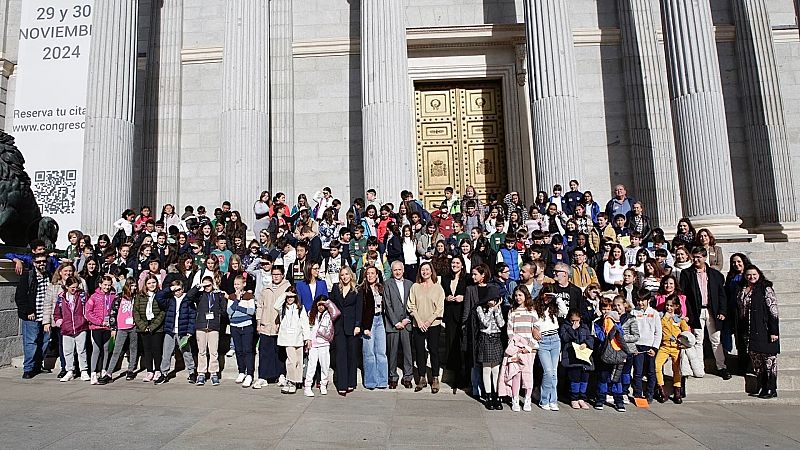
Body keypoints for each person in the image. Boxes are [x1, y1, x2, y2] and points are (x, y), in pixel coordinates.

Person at [680, 246, 730, 380]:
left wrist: (722, 311)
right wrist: (687, 314)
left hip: (712, 311)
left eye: (699, 257)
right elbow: (684, 296)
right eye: (694, 257)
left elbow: (721, 294)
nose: (696, 259)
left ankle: (721, 367)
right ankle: (699, 368)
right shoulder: (686, 274)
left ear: (704, 257)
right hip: (696, 312)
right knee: (698, 340)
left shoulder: (715, 275)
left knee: (716, 339)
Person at [739, 265, 780, 399]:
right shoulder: (743, 289)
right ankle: (762, 385)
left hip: (765, 330)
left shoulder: (766, 289)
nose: (751, 277)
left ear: (759, 274)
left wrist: (774, 331)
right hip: (750, 330)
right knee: (757, 361)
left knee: (769, 361)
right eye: (749, 275)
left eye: (754, 274)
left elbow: (773, 311)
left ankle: (771, 388)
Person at [498, 287, 539, 412]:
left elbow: (536, 330)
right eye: (516, 295)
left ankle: (527, 399)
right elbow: (510, 331)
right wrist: (517, 345)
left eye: (520, 295)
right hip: (515, 348)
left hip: (529, 349)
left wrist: (528, 347)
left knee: (528, 374)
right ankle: (515, 399)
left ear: (526, 296)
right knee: (515, 374)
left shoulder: (532, 311)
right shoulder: (512, 311)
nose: (518, 298)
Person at [408, 262, 445, 394]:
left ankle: (435, 378)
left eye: (427, 269)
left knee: (433, 350)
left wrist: (428, 322)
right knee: (419, 351)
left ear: (431, 271)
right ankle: (422, 377)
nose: (425, 272)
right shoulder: (415, 287)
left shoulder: (438, 288)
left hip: (433, 324)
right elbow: (411, 305)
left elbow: (440, 308)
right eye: (422, 270)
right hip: (418, 323)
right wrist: (419, 320)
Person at [15, 254, 52, 379]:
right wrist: (29, 311)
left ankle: (37, 365)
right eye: (39, 262)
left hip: (46, 316)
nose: (42, 264)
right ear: (34, 263)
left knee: (45, 342)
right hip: (32, 315)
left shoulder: (50, 276)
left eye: (44, 261)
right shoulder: (28, 276)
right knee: (31, 342)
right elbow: (20, 296)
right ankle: (28, 368)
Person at [254, 265, 291, 388]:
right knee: (264, 352)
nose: (275, 277)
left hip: (279, 326)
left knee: (279, 353)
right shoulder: (266, 289)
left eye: (278, 274)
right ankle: (263, 377)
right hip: (266, 325)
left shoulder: (287, 288)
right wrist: (258, 322)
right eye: (273, 274)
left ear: (282, 275)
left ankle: (281, 375)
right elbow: (260, 306)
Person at [155, 280, 197, 385]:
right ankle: (163, 373)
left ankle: (192, 372)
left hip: (183, 331)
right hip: (170, 331)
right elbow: (158, 297)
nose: (177, 292)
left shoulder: (188, 300)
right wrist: (169, 289)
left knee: (186, 352)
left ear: (183, 289)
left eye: (179, 289)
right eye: (175, 290)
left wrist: (190, 332)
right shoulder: (170, 300)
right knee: (166, 353)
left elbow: (192, 317)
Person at [188, 275, 227, 386]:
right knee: (202, 351)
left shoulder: (218, 295)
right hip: (201, 326)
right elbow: (189, 296)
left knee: (213, 351)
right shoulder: (200, 295)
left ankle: (214, 373)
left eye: (208, 285)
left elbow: (224, 310)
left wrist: (218, 291)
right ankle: (201, 373)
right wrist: (199, 286)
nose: (207, 287)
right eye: (205, 285)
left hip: (213, 326)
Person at [534, 285, 565, 411]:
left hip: (555, 338)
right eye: (546, 295)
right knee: (548, 371)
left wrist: (557, 298)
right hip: (543, 340)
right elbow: (533, 322)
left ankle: (553, 400)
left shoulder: (554, 307)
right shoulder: (536, 307)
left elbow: (564, 312)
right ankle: (544, 399)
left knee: (554, 372)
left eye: (550, 296)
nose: (548, 298)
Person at [52, 277, 90, 382]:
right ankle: (69, 370)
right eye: (72, 288)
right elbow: (56, 313)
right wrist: (60, 322)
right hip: (67, 327)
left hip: (80, 326)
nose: (74, 290)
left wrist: (85, 319)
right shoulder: (61, 297)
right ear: (67, 287)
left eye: (76, 287)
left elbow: (88, 308)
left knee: (81, 350)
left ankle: (84, 370)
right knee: (67, 351)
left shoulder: (82, 295)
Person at [330, 266, 360, 395]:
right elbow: (331, 304)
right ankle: (342, 384)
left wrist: (358, 325)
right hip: (339, 326)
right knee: (341, 354)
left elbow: (359, 308)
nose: (344, 277)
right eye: (342, 275)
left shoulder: (357, 289)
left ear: (351, 275)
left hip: (352, 326)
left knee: (352, 355)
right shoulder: (336, 288)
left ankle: (351, 382)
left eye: (347, 274)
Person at [654, 296, 691, 404]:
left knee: (676, 368)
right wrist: (666, 317)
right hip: (664, 346)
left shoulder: (679, 319)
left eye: (671, 306)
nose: (668, 308)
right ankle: (661, 389)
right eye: (667, 305)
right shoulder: (662, 318)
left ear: (676, 306)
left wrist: (683, 343)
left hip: (676, 347)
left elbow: (686, 332)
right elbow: (659, 328)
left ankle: (677, 391)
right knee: (657, 365)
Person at [592, 298, 626, 412]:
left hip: (616, 353)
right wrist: (606, 328)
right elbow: (601, 337)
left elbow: (621, 334)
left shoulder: (616, 321)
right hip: (604, 353)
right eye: (603, 309)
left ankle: (618, 400)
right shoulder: (597, 322)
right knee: (603, 377)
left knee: (616, 378)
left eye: (608, 309)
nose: (606, 311)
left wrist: (614, 325)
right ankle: (601, 398)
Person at [384, 261, 414, 389]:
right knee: (392, 352)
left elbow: (413, 303)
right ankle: (393, 377)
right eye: (395, 270)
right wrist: (395, 322)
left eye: (399, 270)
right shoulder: (388, 284)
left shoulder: (410, 284)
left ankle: (408, 376)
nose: (397, 272)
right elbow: (387, 304)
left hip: (406, 323)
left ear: (403, 270)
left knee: (408, 352)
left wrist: (407, 319)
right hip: (393, 324)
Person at [358, 266, 389, 390]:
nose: (370, 276)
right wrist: (364, 327)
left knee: (381, 352)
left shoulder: (381, 288)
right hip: (368, 323)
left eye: (372, 273)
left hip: (380, 320)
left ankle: (382, 380)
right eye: (368, 274)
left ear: (377, 275)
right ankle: (370, 381)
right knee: (369, 353)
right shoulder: (362, 289)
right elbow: (360, 310)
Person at [441, 256, 469, 391]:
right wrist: (446, 297)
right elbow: (441, 294)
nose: (455, 265)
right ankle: (453, 373)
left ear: (462, 265)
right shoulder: (446, 278)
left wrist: (463, 298)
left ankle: (462, 375)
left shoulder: (467, 278)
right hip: (450, 316)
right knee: (451, 344)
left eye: (458, 263)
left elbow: (470, 294)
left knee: (461, 345)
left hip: (462, 315)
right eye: (453, 263)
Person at [304, 295, 340, 396]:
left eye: (323, 305)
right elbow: (308, 328)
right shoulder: (310, 314)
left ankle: (323, 385)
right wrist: (308, 340)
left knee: (325, 366)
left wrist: (327, 303)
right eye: (319, 304)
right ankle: (307, 386)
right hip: (313, 345)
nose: (321, 307)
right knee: (311, 366)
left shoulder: (329, 314)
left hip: (324, 343)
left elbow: (337, 312)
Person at [85, 275, 117, 385]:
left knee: (106, 349)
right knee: (97, 349)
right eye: (105, 285)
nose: (107, 287)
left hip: (108, 326)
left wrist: (112, 323)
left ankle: (104, 370)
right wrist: (99, 321)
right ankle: (93, 372)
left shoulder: (113, 296)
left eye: (109, 285)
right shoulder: (94, 297)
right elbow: (88, 312)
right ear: (100, 285)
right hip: (97, 327)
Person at [560, 309, 594, 409]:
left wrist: (586, 344)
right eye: (573, 321)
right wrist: (572, 329)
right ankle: (574, 398)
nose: (575, 323)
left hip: (584, 357)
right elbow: (565, 338)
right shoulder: (565, 326)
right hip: (572, 357)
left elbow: (590, 338)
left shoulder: (584, 326)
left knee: (584, 379)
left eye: (577, 320)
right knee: (574, 379)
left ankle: (581, 398)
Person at [134, 275, 166, 383]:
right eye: (149, 283)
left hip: (156, 327)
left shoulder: (160, 295)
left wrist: (152, 326)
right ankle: (149, 370)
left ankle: (157, 370)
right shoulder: (140, 296)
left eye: (153, 282)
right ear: (145, 285)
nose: (151, 285)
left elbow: (162, 312)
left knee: (156, 349)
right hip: (144, 326)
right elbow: (136, 312)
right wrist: (143, 326)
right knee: (147, 350)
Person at [631, 290, 661, 403]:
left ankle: (650, 394)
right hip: (637, 346)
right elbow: (630, 330)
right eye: (638, 300)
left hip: (650, 347)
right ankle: (637, 394)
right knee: (637, 372)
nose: (640, 303)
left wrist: (654, 348)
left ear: (648, 300)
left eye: (643, 300)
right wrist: (633, 347)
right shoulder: (634, 312)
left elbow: (658, 333)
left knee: (651, 372)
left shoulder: (654, 313)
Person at [476, 296, 505, 410]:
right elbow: (485, 323)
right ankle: (488, 396)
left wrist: (497, 310)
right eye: (490, 299)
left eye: (494, 300)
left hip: (496, 338)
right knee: (486, 368)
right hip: (485, 338)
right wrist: (491, 310)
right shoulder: (480, 308)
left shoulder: (498, 308)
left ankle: (497, 395)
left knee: (496, 369)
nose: (491, 302)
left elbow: (501, 324)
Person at [107, 277, 139, 382]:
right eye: (131, 285)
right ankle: (109, 373)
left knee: (133, 349)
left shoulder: (136, 297)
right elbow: (113, 313)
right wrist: (113, 327)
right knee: (117, 350)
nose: (133, 288)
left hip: (133, 327)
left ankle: (131, 370)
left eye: (135, 285)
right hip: (121, 327)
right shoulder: (119, 298)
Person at [227, 276, 257, 387]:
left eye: (238, 284)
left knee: (247, 350)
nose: (236, 286)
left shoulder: (249, 296)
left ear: (243, 284)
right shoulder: (231, 297)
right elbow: (229, 311)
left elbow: (251, 311)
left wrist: (239, 308)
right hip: (235, 326)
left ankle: (249, 374)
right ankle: (241, 371)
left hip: (246, 326)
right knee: (238, 350)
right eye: (235, 284)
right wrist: (237, 301)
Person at [726, 253, 752, 374]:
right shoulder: (731, 276)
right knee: (739, 340)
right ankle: (742, 365)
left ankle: (752, 364)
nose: (736, 264)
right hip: (734, 312)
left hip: (748, 312)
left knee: (749, 339)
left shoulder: (750, 274)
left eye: (739, 261)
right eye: (734, 262)